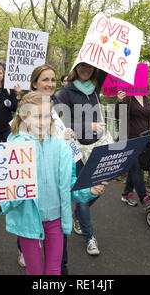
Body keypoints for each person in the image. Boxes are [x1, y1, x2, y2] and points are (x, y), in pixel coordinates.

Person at [0, 91, 108, 275]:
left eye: (47, 116)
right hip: (28, 221)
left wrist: (89, 190)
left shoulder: (63, 146)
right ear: (24, 116)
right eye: (37, 116)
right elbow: (11, 189)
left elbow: (70, 185)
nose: (43, 121)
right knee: (34, 272)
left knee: (54, 271)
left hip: (56, 219)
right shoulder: (14, 147)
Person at [15, 64, 74, 274]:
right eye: (45, 79)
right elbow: (10, 183)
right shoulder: (17, 142)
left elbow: (69, 179)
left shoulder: (55, 115)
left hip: (56, 214)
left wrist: (66, 140)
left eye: (53, 79)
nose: (50, 84)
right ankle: (24, 248)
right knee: (35, 268)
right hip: (31, 215)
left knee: (55, 267)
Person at [57, 62, 108, 256]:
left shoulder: (95, 89)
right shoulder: (65, 92)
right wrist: (89, 125)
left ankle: (78, 213)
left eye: (90, 67)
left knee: (97, 189)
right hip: (75, 149)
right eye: (82, 66)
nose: (86, 69)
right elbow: (62, 122)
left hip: (95, 147)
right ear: (75, 68)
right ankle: (90, 237)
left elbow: (106, 66)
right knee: (83, 190)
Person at [115, 90, 150, 208]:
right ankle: (144, 198)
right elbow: (118, 116)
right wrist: (119, 101)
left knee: (135, 169)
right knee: (136, 168)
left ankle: (126, 194)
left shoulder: (147, 99)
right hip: (128, 140)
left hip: (144, 140)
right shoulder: (128, 97)